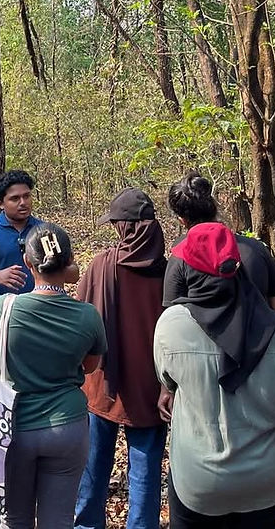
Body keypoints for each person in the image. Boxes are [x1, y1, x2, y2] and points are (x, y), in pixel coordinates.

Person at [153, 222, 275, 528]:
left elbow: (167, 380)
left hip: (199, 482)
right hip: (265, 482)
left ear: (189, 270)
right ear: (236, 267)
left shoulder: (170, 325)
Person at [0, 223, 107, 529]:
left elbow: (0, 352)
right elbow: (90, 367)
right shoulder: (88, 316)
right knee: (59, 521)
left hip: (13, 428)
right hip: (67, 428)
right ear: (69, 263)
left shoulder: (3, 309)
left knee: (15, 520)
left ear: (27, 262)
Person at [74, 189, 168, 529]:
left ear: (126, 227)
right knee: (145, 470)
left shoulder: (102, 264)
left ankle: (86, 526)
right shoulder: (169, 271)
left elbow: (81, 317)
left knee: (93, 465)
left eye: (116, 224)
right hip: (152, 386)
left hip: (101, 382)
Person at [163, 171, 275, 323]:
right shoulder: (256, 249)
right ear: (214, 207)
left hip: (202, 338)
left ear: (182, 220)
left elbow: (172, 322)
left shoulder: (179, 258)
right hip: (262, 336)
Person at [0, 170, 79, 296]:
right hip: (0, 307)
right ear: (1, 203)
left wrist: (51, 268)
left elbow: (73, 275)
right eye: (15, 199)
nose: (23, 203)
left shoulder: (44, 232)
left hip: (41, 305)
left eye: (26, 196)